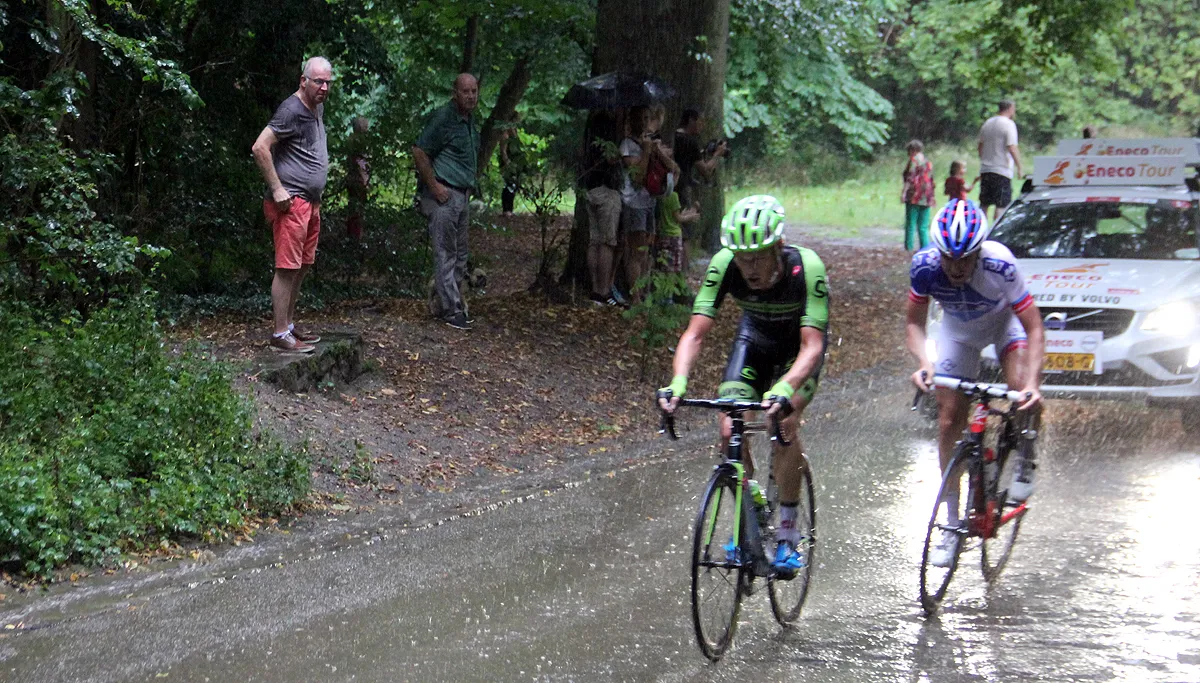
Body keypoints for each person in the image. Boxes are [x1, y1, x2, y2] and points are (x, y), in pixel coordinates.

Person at [657, 195, 829, 576]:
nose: (747, 267)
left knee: (782, 424)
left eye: (756, 258)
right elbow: (695, 334)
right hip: (754, 341)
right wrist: (678, 382)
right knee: (728, 423)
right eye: (740, 258)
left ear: (778, 247)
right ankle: (750, 507)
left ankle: (786, 534)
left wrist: (786, 390)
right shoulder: (726, 265)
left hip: (798, 351)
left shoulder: (807, 268)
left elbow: (812, 346)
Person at [905, 198, 1044, 567]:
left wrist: (1031, 383)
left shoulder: (1000, 263)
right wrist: (924, 363)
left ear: (979, 251)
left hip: (1004, 325)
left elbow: (1033, 325)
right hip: (959, 332)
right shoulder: (924, 266)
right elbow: (915, 323)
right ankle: (951, 525)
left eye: (965, 259)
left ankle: (1026, 454)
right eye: (948, 259)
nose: (956, 267)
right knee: (949, 420)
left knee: (1018, 388)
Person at [251, 56, 333, 353]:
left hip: (311, 203)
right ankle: (279, 334)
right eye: (318, 81)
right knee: (286, 268)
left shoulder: (317, 107)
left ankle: (289, 326)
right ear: (304, 81)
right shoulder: (291, 110)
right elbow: (260, 147)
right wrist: (277, 189)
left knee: (301, 266)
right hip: (291, 202)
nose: (324, 87)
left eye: (327, 82)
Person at [413, 73, 481, 330]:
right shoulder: (444, 118)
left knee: (460, 254)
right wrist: (434, 187)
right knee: (446, 253)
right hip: (444, 195)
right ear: (455, 92)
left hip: (462, 195)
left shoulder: (469, 121)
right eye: (466, 91)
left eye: (474, 91)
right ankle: (451, 310)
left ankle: (450, 304)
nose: (471, 96)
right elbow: (419, 151)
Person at [674, 109, 727, 268]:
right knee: (686, 234)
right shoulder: (690, 141)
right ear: (691, 120)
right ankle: (684, 274)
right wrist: (717, 154)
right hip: (683, 188)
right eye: (700, 121)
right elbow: (705, 170)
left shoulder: (674, 136)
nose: (702, 126)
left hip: (670, 189)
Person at [581, 110, 624, 306]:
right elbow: (611, 158)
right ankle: (603, 290)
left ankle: (594, 289)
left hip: (590, 188)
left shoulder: (590, 129)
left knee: (594, 240)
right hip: (606, 189)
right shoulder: (609, 130)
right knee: (606, 242)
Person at [977, 99, 1022, 223]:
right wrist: (1019, 166)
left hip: (986, 170)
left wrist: (984, 159)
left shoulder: (988, 123)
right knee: (1001, 205)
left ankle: (980, 231)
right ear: (1010, 108)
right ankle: (995, 232)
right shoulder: (1008, 124)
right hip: (1001, 170)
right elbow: (1012, 147)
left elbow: (980, 146)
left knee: (984, 204)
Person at [655, 186, 699, 280]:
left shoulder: (659, 196)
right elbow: (678, 218)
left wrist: (688, 213)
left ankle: (664, 288)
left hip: (663, 234)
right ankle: (671, 290)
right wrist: (691, 216)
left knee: (664, 264)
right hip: (674, 235)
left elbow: (675, 215)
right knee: (674, 267)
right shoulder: (673, 195)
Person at [901, 140, 936, 251]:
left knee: (911, 223)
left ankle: (909, 247)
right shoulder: (928, 162)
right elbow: (931, 180)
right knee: (923, 226)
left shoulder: (913, 161)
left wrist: (904, 192)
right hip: (927, 196)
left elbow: (909, 178)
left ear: (913, 150)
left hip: (914, 195)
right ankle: (925, 248)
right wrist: (932, 196)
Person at [346, 116, 370, 240]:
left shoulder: (350, 139)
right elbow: (360, 161)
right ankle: (357, 237)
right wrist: (365, 179)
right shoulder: (359, 141)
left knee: (353, 207)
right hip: (358, 181)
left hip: (351, 179)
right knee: (358, 209)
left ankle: (352, 234)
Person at [498, 121, 525, 216]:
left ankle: (510, 209)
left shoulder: (514, 134)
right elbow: (503, 151)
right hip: (508, 164)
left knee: (514, 186)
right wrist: (507, 164)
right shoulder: (505, 135)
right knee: (508, 185)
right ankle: (506, 209)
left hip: (514, 163)